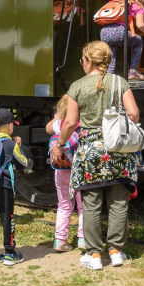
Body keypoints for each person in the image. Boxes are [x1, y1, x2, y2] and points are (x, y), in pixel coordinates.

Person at [51, 41, 140, 270]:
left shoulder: (77, 86)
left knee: (91, 205)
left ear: (89, 61)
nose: (82, 64)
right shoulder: (120, 82)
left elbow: (70, 123)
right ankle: (116, 251)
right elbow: (134, 114)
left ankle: (94, 255)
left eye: (82, 60)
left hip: (90, 151)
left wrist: (60, 145)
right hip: (118, 151)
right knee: (118, 202)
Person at [0, 109, 33, 267]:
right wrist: (19, 146)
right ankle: (10, 253)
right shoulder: (10, 144)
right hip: (4, 186)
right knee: (6, 218)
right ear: (10, 126)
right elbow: (23, 163)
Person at [46, 94, 84, 252]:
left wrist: (58, 117)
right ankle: (83, 239)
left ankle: (60, 240)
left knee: (64, 204)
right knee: (84, 205)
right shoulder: (82, 123)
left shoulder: (59, 124)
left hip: (61, 169)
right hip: (80, 169)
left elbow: (48, 128)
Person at [99, 0, 144, 80]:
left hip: (104, 32)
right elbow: (140, 24)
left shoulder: (120, 1)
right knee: (139, 42)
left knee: (112, 49)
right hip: (119, 32)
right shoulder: (138, 7)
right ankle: (132, 72)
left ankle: (109, 76)